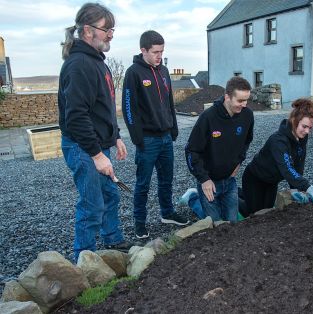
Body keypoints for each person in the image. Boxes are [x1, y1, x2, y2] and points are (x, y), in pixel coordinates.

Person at [58, 2, 131, 261]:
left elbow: (104, 108)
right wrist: (97, 155)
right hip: (82, 147)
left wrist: (116, 136)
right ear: (88, 30)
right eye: (106, 28)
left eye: (113, 29)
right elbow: (76, 118)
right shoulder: (79, 65)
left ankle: (113, 241)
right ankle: (84, 260)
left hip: (98, 144)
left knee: (110, 194)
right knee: (92, 204)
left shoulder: (98, 62)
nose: (111, 33)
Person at [122, 30, 188, 240]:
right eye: (156, 52)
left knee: (166, 180)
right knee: (143, 184)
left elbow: (169, 103)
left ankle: (167, 213)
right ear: (143, 50)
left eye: (162, 51)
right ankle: (139, 223)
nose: (160, 56)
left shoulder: (164, 71)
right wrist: (136, 137)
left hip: (166, 137)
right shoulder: (134, 73)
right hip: (147, 140)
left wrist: (173, 127)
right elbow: (128, 107)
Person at [241, 98, 313, 216]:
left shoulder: (302, 137)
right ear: (294, 120)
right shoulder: (278, 141)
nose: (307, 131)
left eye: (310, 128)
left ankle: (241, 194)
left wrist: (295, 188)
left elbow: (299, 162)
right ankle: (233, 197)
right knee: (252, 213)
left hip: (272, 182)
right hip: (255, 179)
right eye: (304, 126)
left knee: (267, 213)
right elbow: (287, 168)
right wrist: (310, 188)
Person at [185, 76, 254, 223]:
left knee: (232, 224)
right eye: (240, 100)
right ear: (227, 97)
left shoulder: (247, 116)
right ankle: (192, 198)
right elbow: (191, 150)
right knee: (214, 224)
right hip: (209, 182)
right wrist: (203, 179)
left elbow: (247, 141)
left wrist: (239, 161)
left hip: (230, 181)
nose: (244, 104)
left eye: (246, 100)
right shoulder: (208, 117)